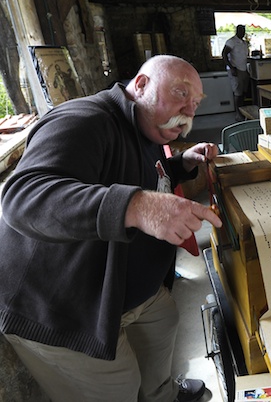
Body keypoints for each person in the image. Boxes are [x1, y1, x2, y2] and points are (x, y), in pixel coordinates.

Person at [0, 55, 223, 402]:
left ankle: (162, 394)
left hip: (127, 293)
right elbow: (22, 197)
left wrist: (180, 165)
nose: (189, 111)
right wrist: (138, 206)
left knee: (165, 324)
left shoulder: (147, 124)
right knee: (118, 387)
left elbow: (140, 174)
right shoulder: (84, 119)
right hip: (68, 307)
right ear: (141, 85)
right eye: (180, 94)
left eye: (195, 103)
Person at [222, 24, 249, 122]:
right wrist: (231, 68)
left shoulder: (244, 42)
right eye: (241, 31)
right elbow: (224, 54)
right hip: (235, 70)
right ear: (237, 31)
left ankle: (243, 112)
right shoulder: (231, 41)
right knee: (238, 93)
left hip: (243, 69)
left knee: (243, 92)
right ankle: (238, 114)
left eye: (244, 31)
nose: (243, 33)